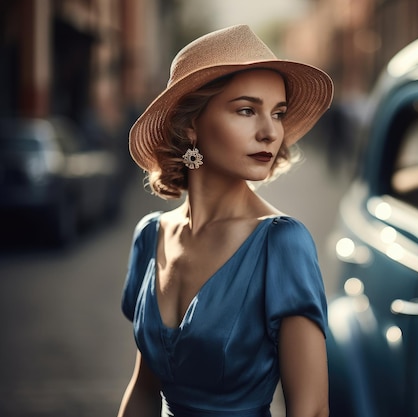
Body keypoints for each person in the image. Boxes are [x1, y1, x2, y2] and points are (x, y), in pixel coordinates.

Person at [117, 24, 334, 417]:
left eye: (278, 113)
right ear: (190, 125)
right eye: (247, 110)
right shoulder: (151, 235)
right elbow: (144, 391)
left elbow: (312, 409)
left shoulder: (281, 244)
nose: (270, 132)